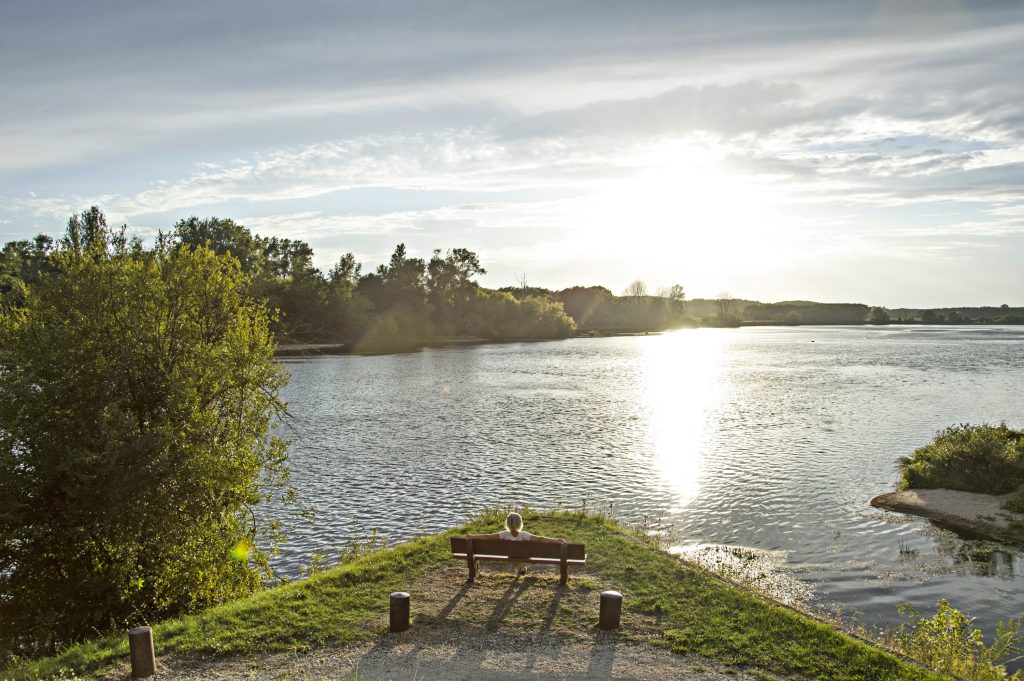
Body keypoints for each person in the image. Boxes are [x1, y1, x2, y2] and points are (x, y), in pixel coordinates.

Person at [467, 512, 565, 576]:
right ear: (520, 523)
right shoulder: (524, 535)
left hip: (510, 555)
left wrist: (473, 536)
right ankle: (523, 568)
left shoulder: (503, 534)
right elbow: (540, 539)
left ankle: (522, 568)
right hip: (522, 555)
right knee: (523, 553)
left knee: (518, 551)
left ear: (507, 524)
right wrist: (556, 540)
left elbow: (489, 536)